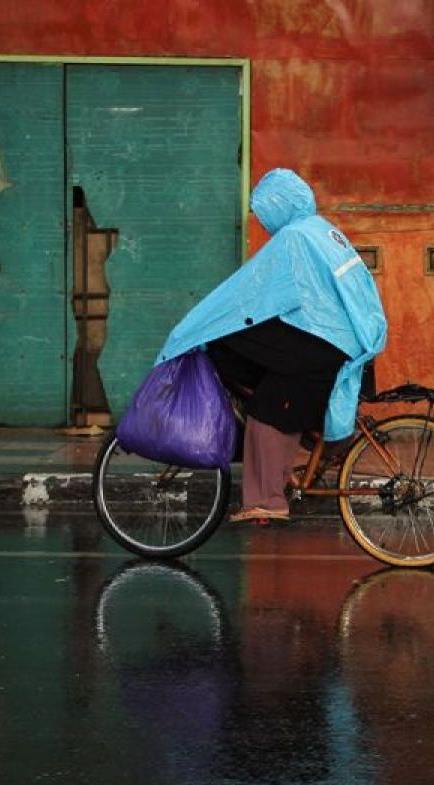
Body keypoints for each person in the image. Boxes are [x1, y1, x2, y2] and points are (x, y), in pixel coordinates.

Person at [156, 168, 388, 524]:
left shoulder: (294, 239)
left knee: (263, 407)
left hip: (322, 340)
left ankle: (269, 499)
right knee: (271, 376)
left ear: (278, 205)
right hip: (341, 337)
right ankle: (304, 441)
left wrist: (195, 328)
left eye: (263, 213)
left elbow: (248, 292)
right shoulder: (322, 230)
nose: (263, 223)